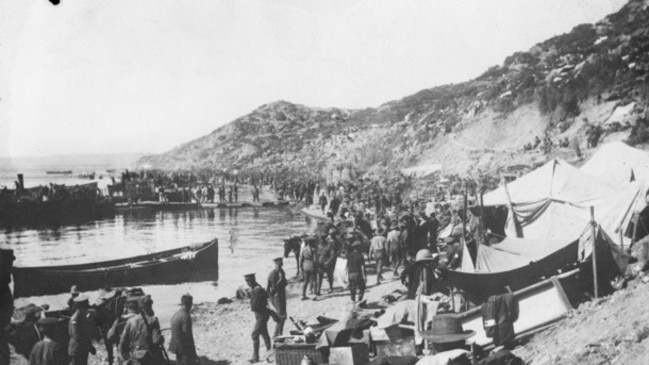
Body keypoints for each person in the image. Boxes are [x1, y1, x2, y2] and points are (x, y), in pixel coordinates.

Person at [119, 295, 164, 365]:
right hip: (150, 357)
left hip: (135, 356)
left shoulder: (130, 321)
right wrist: (161, 338)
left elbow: (122, 342)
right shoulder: (153, 320)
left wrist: (126, 357)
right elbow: (156, 341)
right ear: (150, 307)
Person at [245, 273, 273, 363]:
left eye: (249, 281)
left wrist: (250, 296)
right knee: (264, 333)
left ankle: (255, 356)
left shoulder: (256, 289)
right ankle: (270, 354)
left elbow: (254, 306)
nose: (248, 283)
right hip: (261, 314)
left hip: (261, 315)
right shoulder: (257, 287)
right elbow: (266, 296)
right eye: (247, 281)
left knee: (254, 334)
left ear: (253, 280)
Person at [169, 294, 199, 365]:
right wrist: (193, 352)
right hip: (183, 347)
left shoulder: (176, 314)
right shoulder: (185, 316)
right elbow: (187, 335)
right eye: (191, 304)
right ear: (189, 304)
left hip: (175, 345)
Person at [68, 295, 96, 365]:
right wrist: (89, 346)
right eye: (86, 304)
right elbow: (77, 336)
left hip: (82, 348)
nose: (88, 305)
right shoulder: (76, 318)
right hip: (76, 349)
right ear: (81, 306)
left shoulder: (82, 316)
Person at [267, 257, 287, 337]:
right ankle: (277, 333)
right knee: (281, 315)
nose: (280, 265)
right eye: (279, 264)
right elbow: (270, 287)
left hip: (281, 296)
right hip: (276, 297)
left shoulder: (281, 272)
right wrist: (270, 298)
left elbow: (284, 283)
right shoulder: (273, 273)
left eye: (281, 264)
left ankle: (279, 332)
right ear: (275, 264)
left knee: (283, 315)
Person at [316, 230, 337, 294]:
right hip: (320, 264)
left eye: (321, 239)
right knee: (319, 277)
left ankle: (331, 287)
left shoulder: (329, 245)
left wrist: (328, 262)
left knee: (330, 276)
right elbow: (316, 255)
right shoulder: (318, 246)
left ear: (324, 239)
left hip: (328, 264)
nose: (320, 240)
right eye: (320, 239)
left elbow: (332, 255)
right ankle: (318, 290)